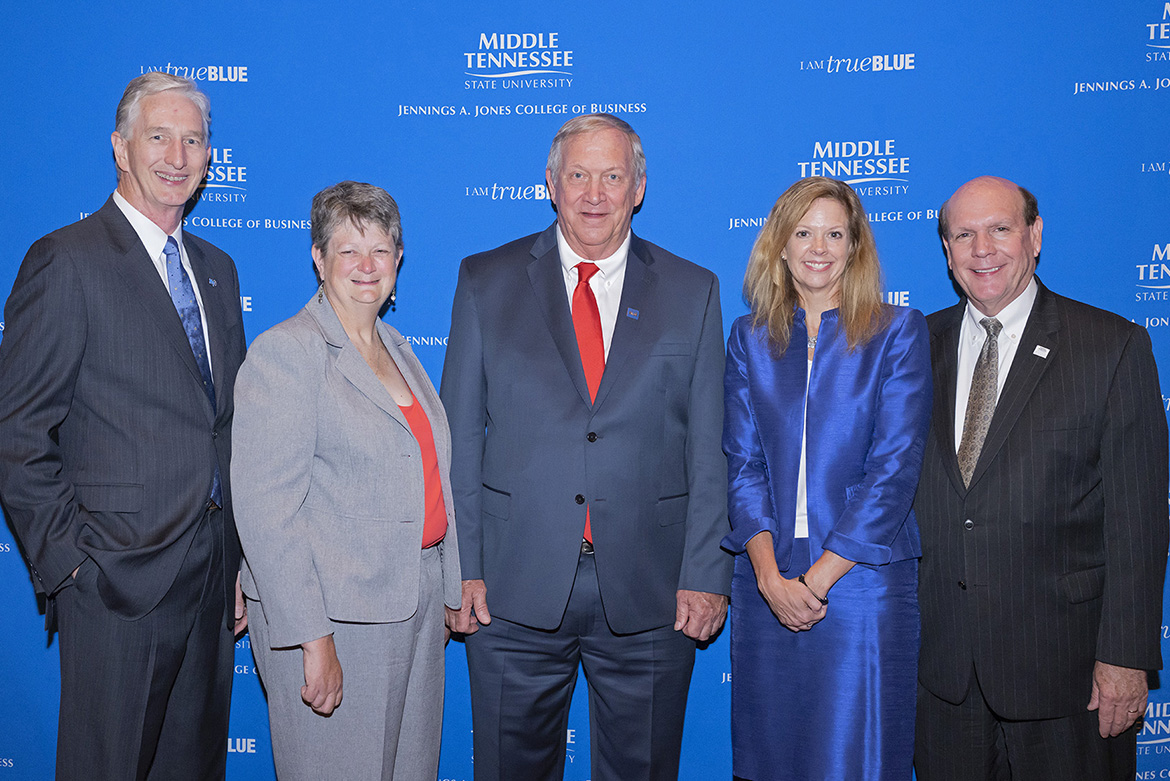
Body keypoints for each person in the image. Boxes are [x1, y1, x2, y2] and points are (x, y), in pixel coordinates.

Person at [441, 113, 731, 781]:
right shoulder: (485, 280)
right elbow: (458, 439)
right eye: (578, 175)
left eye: (611, 176)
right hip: (510, 590)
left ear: (639, 186)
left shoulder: (695, 291)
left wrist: (705, 572)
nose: (593, 193)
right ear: (550, 183)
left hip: (654, 592)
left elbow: (710, 450)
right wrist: (461, 567)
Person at [0, 73, 247, 780]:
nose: (177, 155)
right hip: (114, 582)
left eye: (193, 139)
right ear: (120, 146)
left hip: (209, 577)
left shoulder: (218, 270)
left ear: (209, 157)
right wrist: (73, 565)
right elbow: (16, 431)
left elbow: (219, 424)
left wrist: (236, 557)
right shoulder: (66, 260)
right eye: (159, 136)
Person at [914, 175, 1168, 780]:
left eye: (1000, 229)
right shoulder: (913, 347)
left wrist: (1126, 660)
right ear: (946, 251)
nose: (983, 249)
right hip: (945, 677)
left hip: (1068, 679)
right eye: (964, 235)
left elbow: (1138, 521)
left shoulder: (1112, 347)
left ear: (1034, 235)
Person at [231, 180, 462, 780]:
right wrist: (313, 638)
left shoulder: (398, 348)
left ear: (399, 259)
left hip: (412, 602)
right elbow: (265, 511)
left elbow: (429, 477)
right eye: (347, 250)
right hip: (334, 617)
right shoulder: (289, 353)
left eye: (380, 250)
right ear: (318, 257)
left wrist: (449, 591)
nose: (366, 266)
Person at [722, 176, 932, 780]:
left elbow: (893, 470)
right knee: (772, 757)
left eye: (835, 233)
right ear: (779, 247)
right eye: (804, 232)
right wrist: (770, 577)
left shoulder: (897, 331)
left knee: (857, 758)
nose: (819, 246)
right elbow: (742, 463)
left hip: (862, 584)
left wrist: (814, 583)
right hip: (767, 580)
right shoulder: (749, 338)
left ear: (855, 245)